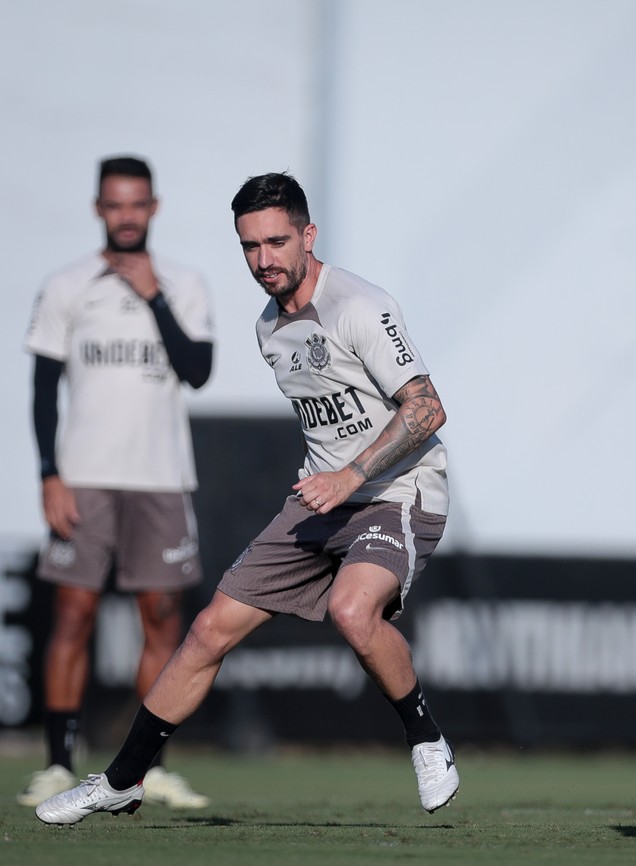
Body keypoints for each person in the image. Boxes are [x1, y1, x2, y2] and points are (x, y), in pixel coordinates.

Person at [36, 171, 459, 825]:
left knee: (352, 611)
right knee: (207, 630)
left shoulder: (360, 306)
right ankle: (122, 780)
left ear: (308, 236)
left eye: (277, 242)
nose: (264, 260)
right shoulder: (269, 328)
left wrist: (350, 477)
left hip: (397, 492)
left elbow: (428, 408)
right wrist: (332, 482)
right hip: (320, 501)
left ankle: (426, 738)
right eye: (250, 247)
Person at [21, 156, 214, 810]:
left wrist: (152, 293)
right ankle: (56, 762)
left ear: (153, 208)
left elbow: (197, 370)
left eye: (137, 205)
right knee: (72, 615)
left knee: (162, 619)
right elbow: (44, 391)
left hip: (160, 479)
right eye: (115, 205)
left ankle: (145, 767)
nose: (126, 216)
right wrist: (50, 475)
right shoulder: (67, 285)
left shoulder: (183, 284)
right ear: (99, 208)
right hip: (86, 476)